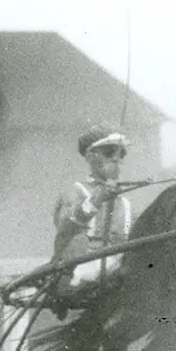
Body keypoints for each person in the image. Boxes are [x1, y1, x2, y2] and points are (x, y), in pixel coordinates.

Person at [51, 125, 133, 293]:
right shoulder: (75, 191)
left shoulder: (124, 202)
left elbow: (125, 243)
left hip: (114, 268)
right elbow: (65, 231)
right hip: (79, 271)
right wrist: (96, 201)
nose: (117, 159)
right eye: (110, 152)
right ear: (90, 157)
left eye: (121, 153)